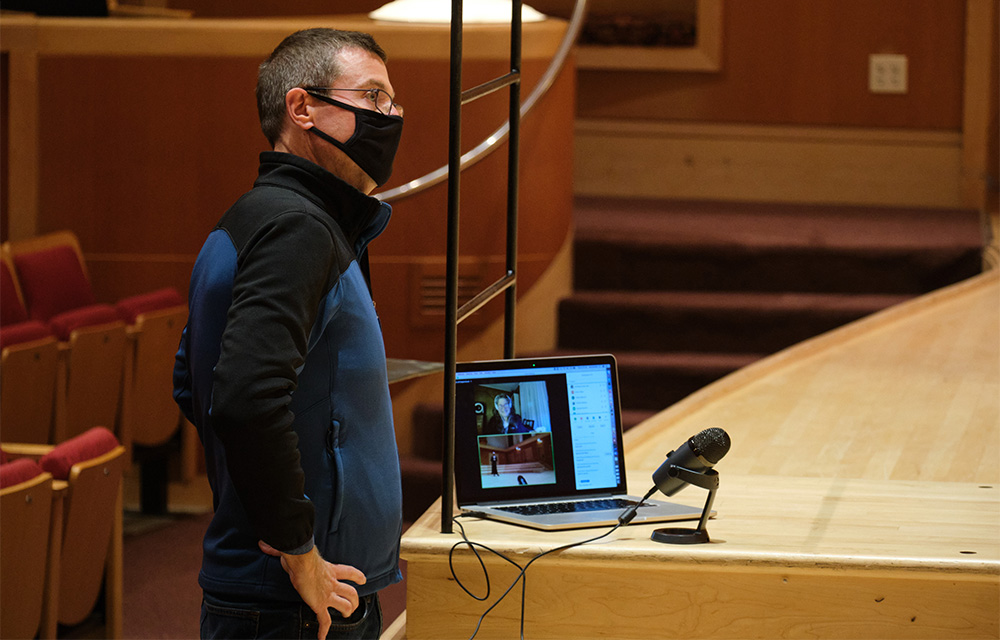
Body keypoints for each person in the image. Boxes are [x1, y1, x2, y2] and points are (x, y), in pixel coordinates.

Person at [172, 28, 405, 640]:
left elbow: (188, 383)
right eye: (374, 97)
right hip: (301, 600)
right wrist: (298, 545)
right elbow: (245, 395)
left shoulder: (258, 215)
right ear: (301, 108)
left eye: (394, 102)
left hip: (292, 592)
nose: (392, 117)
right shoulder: (297, 229)